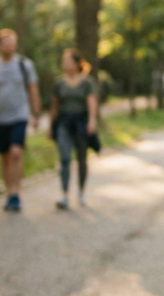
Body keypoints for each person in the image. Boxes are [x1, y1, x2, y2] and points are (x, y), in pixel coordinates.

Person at [0, 29, 41, 212]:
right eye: (6, 43)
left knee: (16, 152)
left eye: (12, 42)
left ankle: (15, 192)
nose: (10, 46)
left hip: (20, 115)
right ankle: (9, 192)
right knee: (4, 157)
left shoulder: (24, 65)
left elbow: (33, 89)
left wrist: (36, 114)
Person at [49, 49, 98, 210]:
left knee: (82, 158)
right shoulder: (59, 83)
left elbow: (91, 102)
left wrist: (92, 121)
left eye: (69, 61)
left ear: (77, 64)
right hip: (64, 123)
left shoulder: (87, 82)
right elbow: (54, 105)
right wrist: (51, 126)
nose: (65, 64)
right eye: (64, 61)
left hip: (81, 124)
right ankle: (64, 194)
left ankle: (81, 192)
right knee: (64, 158)